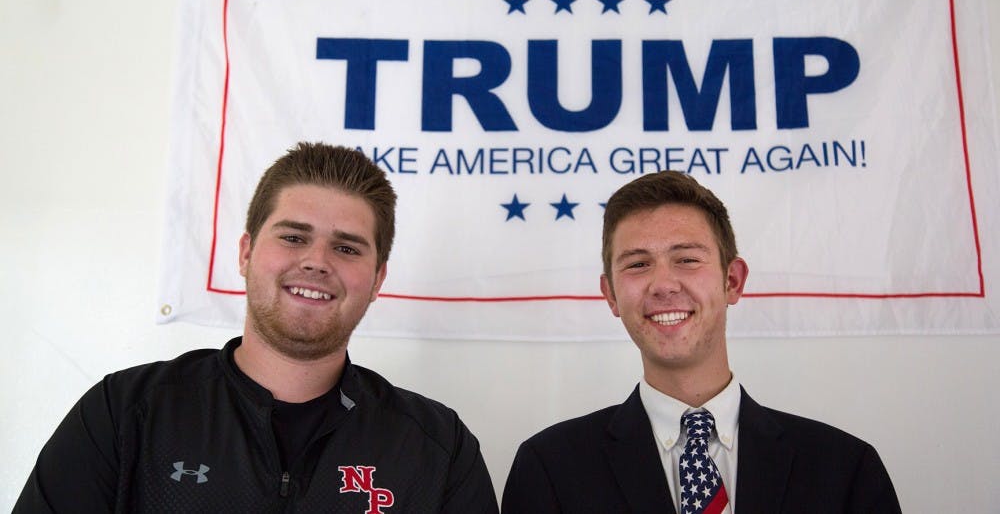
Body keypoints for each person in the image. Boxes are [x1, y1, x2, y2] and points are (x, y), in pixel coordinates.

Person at [16, 142, 499, 513]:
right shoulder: (125, 414)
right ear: (246, 254)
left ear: (377, 280)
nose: (316, 262)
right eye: (293, 237)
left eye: (347, 248)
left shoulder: (437, 448)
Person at [502, 171, 901, 514]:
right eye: (638, 264)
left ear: (733, 281)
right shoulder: (549, 469)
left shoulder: (846, 468)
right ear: (610, 296)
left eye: (687, 259)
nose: (663, 284)